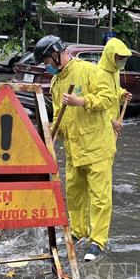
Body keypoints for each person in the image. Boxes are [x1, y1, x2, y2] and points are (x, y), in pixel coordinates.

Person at [34, 35, 115, 261]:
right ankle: (79, 232)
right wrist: (52, 132)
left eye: (47, 62)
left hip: (97, 146)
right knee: (75, 193)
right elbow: (61, 113)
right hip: (74, 148)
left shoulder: (89, 71)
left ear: (56, 54)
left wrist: (82, 101)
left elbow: (107, 98)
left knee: (99, 196)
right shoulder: (56, 82)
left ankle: (98, 241)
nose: (47, 67)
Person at [98, 37, 133, 136]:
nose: (123, 61)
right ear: (110, 55)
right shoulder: (98, 73)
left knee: (110, 150)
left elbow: (114, 90)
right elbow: (97, 103)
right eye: (120, 57)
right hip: (101, 125)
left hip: (113, 124)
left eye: (124, 58)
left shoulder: (115, 72)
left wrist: (122, 94)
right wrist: (111, 120)